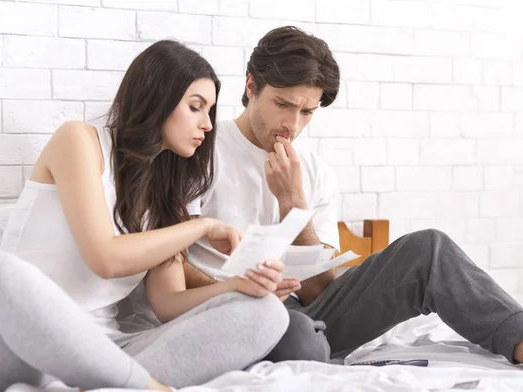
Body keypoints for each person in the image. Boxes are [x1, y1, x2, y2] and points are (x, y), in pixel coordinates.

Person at [0, 40, 291, 392]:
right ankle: (143, 388)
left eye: (209, 111)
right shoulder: (79, 141)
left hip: (111, 350)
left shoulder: (165, 196)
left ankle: (108, 385)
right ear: (156, 97)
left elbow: (168, 304)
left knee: (268, 312)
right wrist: (201, 227)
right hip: (21, 349)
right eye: (196, 107)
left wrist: (238, 286)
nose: (208, 125)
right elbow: (105, 258)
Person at [183, 26, 523, 365]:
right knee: (301, 334)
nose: (293, 124)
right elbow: (170, 262)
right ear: (251, 86)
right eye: (282, 104)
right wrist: (238, 291)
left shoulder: (315, 172)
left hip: (299, 313)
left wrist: (294, 206)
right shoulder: (199, 150)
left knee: (428, 250)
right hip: (223, 311)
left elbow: (319, 292)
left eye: (307, 112)